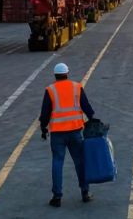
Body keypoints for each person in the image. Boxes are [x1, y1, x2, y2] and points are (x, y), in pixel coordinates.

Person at [40, 62, 96, 207]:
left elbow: (45, 113)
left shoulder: (50, 90)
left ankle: (57, 197)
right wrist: (92, 119)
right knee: (79, 162)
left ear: (55, 75)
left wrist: (43, 128)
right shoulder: (76, 87)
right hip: (75, 131)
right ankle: (85, 192)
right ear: (67, 73)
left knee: (57, 162)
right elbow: (87, 107)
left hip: (57, 133)